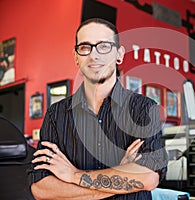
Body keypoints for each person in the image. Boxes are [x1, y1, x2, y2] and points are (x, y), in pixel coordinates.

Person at [29, 18, 168, 199]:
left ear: (119, 54)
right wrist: (121, 173)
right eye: (85, 47)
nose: (94, 56)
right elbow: (41, 189)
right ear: (76, 56)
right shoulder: (56, 115)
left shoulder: (144, 109)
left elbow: (148, 178)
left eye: (104, 47)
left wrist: (73, 175)